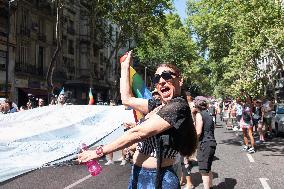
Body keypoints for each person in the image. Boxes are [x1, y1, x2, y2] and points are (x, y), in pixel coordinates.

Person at [78, 51, 197, 189]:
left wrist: (97, 152)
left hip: (159, 178)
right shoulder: (157, 105)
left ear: (180, 80)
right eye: (157, 78)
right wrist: (124, 67)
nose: (161, 81)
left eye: (166, 76)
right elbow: (127, 100)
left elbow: (138, 133)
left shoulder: (178, 106)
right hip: (138, 173)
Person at [194, 96, 217, 189]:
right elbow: (213, 127)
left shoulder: (199, 115)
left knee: (204, 171)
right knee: (208, 168)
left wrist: (192, 140)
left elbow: (198, 132)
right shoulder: (209, 114)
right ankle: (210, 187)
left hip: (204, 143)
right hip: (211, 142)